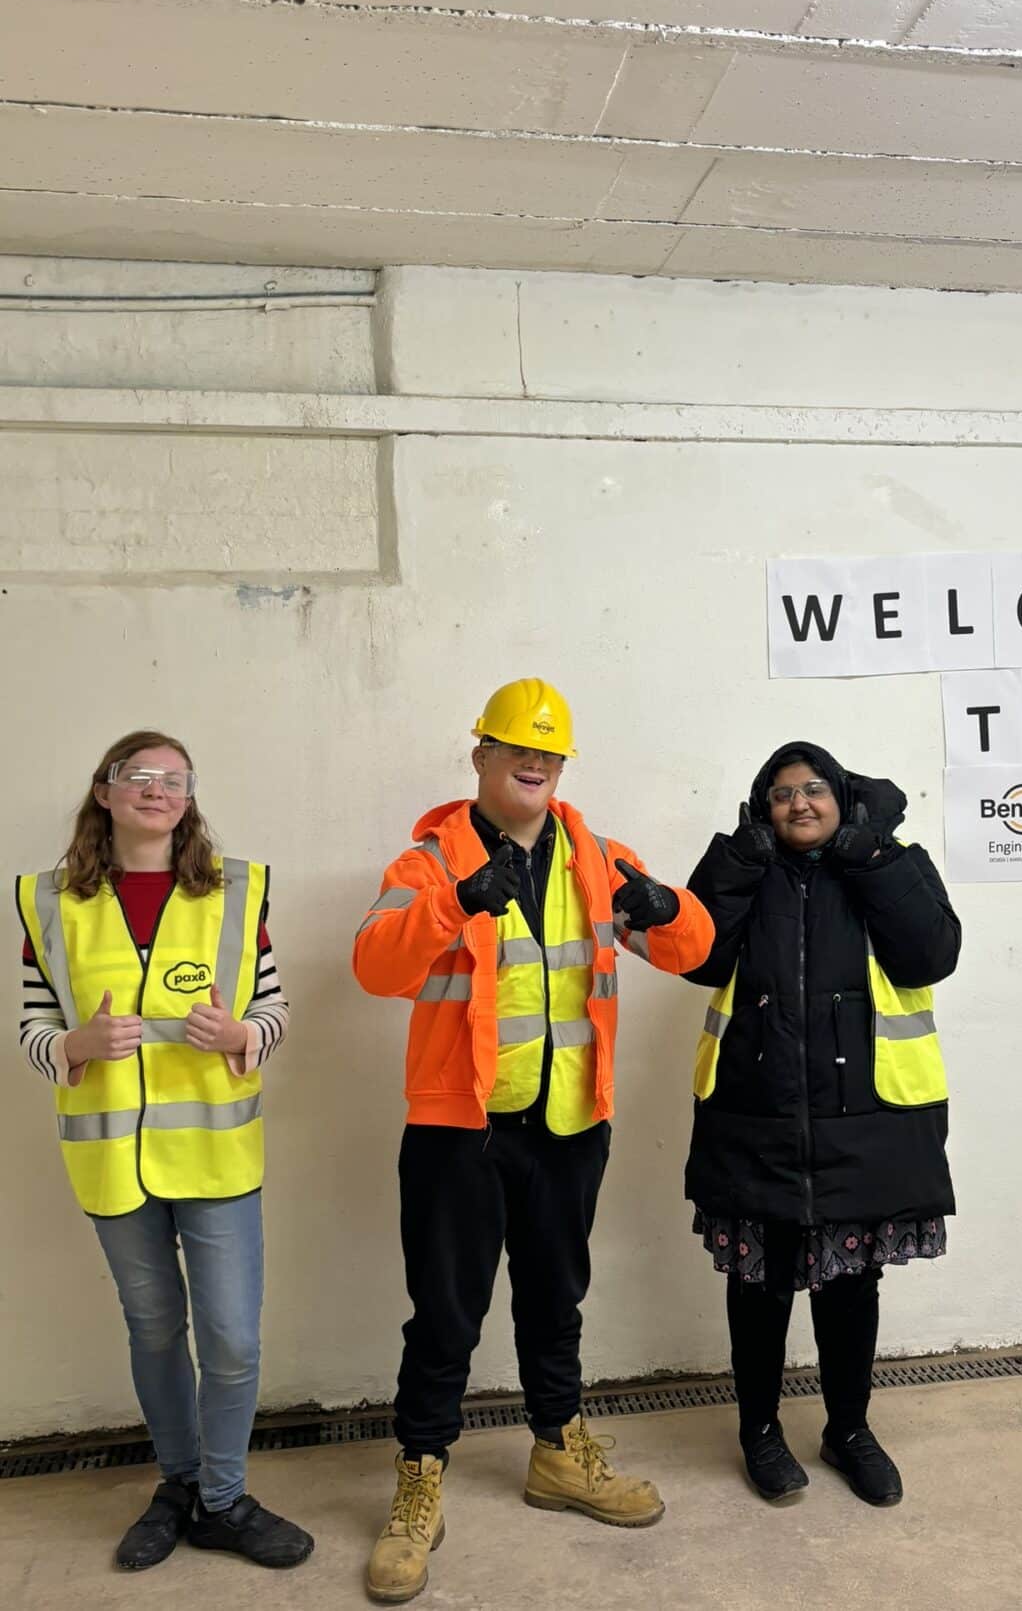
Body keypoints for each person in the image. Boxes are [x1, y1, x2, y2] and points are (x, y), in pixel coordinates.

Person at [353, 678, 713, 1605]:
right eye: (518, 747)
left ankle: (557, 1452)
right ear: (481, 755)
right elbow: (375, 965)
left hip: (569, 1125)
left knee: (556, 1301)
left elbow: (692, 950)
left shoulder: (596, 856)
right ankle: (420, 1480)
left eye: (549, 753)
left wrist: (665, 905)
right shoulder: (430, 859)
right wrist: (457, 902)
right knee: (445, 1314)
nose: (535, 762)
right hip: (459, 1130)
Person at [15, 730, 313, 1573]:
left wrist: (243, 1032)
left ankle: (223, 1498)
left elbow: (275, 1007)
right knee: (153, 1328)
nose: (158, 790)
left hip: (216, 1156)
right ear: (104, 790)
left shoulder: (234, 890)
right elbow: (34, 1024)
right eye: (139, 775)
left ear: (189, 800)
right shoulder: (50, 902)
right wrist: (74, 1045)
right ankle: (181, 1484)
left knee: (232, 1339)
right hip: (113, 1159)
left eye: (175, 779)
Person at [682, 741, 961, 1506]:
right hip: (756, 1116)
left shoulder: (890, 860)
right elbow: (696, 956)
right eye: (781, 793)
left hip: (862, 1120)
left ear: (841, 796)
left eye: (813, 789)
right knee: (760, 1286)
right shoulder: (749, 867)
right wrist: (738, 861)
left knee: (849, 1286)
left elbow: (932, 953)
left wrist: (871, 856)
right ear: (762, 808)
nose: (798, 803)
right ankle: (760, 1432)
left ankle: (850, 1430)